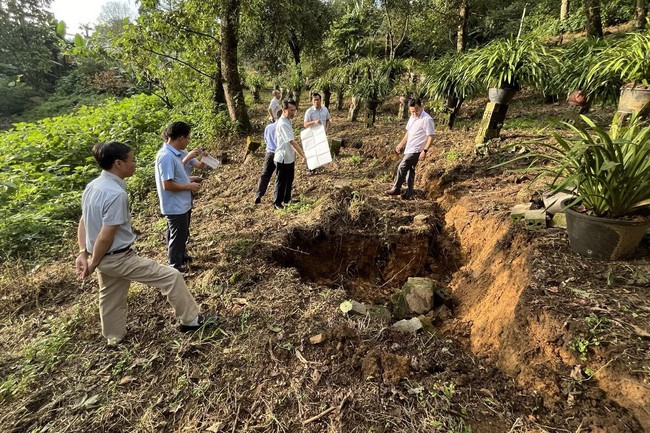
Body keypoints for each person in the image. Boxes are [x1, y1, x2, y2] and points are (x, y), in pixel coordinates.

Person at [75, 141, 217, 346]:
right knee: (172, 276)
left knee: (110, 297)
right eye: (132, 160)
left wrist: (83, 253)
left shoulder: (93, 186)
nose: (135, 163)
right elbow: (106, 236)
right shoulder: (116, 195)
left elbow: (84, 221)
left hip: (104, 258)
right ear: (118, 164)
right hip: (117, 257)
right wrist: (93, 263)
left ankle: (114, 338)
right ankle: (191, 321)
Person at [155, 121, 201, 271]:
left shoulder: (174, 154)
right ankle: (174, 265)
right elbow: (167, 185)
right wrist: (189, 186)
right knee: (177, 235)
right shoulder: (166, 156)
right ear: (181, 138)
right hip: (175, 205)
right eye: (188, 138)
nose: (188, 141)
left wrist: (189, 179)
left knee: (180, 233)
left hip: (182, 202)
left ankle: (181, 256)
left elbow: (175, 178)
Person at [385, 98, 435, 199]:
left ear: (421, 106)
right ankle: (409, 193)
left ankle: (396, 188)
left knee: (402, 167)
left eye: (416, 110)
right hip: (409, 148)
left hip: (416, 150)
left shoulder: (427, 119)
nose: (415, 112)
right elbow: (409, 133)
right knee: (409, 170)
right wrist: (401, 144)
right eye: (412, 111)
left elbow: (431, 136)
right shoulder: (412, 117)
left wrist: (425, 150)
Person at [274, 99, 306, 210]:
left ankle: (287, 199)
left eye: (294, 110)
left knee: (289, 179)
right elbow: (292, 142)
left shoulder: (288, 120)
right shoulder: (283, 123)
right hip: (282, 157)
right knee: (281, 181)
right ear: (284, 110)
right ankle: (277, 203)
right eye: (291, 110)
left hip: (289, 156)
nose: (293, 113)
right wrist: (303, 155)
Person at [254, 109, 283, 204]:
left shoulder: (268, 127)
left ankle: (258, 194)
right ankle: (277, 197)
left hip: (269, 153)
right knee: (279, 176)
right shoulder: (282, 127)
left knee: (265, 174)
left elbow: (265, 139)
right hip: (279, 153)